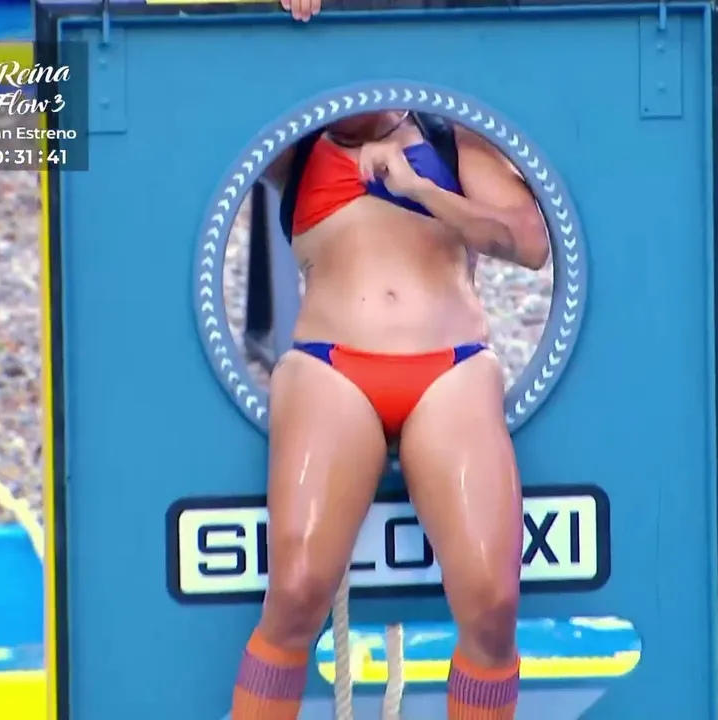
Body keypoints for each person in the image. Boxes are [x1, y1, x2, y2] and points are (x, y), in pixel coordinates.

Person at [229, 3, 550, 719]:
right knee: (297, 592)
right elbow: (202, 71)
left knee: (493, 607)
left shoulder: (448, 130)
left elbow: (529, 243)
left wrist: (420, 191)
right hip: (331, 368)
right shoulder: (295, 141)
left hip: (450, 370)